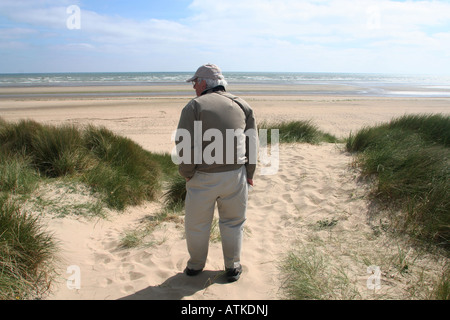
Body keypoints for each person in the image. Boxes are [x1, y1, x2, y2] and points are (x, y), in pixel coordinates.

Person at [175, 63, 258, 282]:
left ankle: (195, 266)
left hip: (203, 176)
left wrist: (187, 172)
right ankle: (233, 266)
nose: (194, 87)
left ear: (203, 82)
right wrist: (250, 172)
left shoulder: (194, 106)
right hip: (236, 175)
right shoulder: (242, 104)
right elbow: (252, 142)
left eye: (195, 82)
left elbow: (184, 144)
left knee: (197, 224)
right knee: (233, 222)